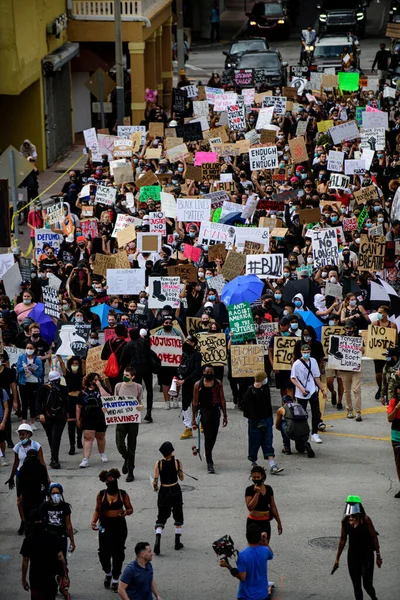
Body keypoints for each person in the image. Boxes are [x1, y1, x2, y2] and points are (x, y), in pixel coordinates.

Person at [91, 468, 133, 592]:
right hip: (104, 526)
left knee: (118, 553)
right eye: (108, 480)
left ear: (116, 479)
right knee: (103, 552)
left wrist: (125, 512)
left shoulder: (123, 494)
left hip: (119, 526)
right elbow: (98, 510)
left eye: (112, 479)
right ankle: (108, 572)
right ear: (105, 481)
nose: (110, 481)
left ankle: (115, 579)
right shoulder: (101, 494)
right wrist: (94, 522)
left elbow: (130, 509)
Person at [333, 496, 382, 600]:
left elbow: (374, 537)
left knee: (367, 585)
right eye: (348, 504)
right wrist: (337, 558)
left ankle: (374, 598)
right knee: (356, 587)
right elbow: (342, 539)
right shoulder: (345, 521)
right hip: (352, 556)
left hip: (367, 555)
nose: (350, 507)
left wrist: (378, 556)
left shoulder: (366, 520)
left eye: (352, 505)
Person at [6, 423, 47, 535]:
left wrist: (46, 477)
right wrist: (11, 477)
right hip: (21, 474)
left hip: (35, 475)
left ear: (29, 434)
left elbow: (42, 462)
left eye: (23, 434)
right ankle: (23, 521)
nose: (21, 437)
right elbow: (16, 462)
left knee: (36, 499)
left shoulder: (36, 446)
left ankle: (36, 520)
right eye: (20, 435)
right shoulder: (17, 447)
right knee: (20, 501)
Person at [240, 372, 283, 474]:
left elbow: (268, 405)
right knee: (254, 442)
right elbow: (248, 408)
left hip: (267, 420)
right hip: (255, 422)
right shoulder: (250, 392)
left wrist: (270, 419)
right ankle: (253, 462)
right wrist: (257, 420)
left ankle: (272, 465)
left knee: (268, 441)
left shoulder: (265, 388)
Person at [21, 509, 67, 600]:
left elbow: (25, 561)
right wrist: (64, 575)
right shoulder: (53, 537)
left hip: (35, 578)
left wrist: (23, 579)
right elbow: (61, 558)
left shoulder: (28, 540)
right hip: (50, 578)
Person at [219, 525, 273, 600]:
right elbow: (271, 555)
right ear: (259, 538)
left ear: (246, 536)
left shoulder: (242, 555)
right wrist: (265, 542)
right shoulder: (265, 550)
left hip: (247, 596)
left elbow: (242, 577)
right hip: (262, 595)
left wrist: (228, 566)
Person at [192, 365, 228, 474]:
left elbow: (222, 399)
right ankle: (209, 462)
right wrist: (193, 418)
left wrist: (225, 415)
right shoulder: (198, 385)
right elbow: (195, 402)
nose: (209, 374)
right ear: (203, 372)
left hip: (215, 411)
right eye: (207, 372)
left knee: (214, 436)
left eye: (211, 372)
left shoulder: (218, 383)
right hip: (204, 412)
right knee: (208, 436)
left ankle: (208, 452)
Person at [152, 441, 184, 555]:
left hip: (164, 490)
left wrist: (155, 487)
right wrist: (179, 470)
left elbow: (155, 481)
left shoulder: (159, 464)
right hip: (175, 489)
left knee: (161, 516)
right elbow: (181, 478)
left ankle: (158, 538)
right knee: (178, 514)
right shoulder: (177, 462)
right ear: (172, 452)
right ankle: (177, 541)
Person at [290, 344, 326, 444]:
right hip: (302, 393)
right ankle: (303, 432)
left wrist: (322, 389)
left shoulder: (313, 361)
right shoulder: (297, 364)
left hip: (312, 390)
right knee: (302, 414)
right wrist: (301, 389)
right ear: (301, 352)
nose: (306, 354)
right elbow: (293, 378)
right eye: (304, 352)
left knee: (316, 412)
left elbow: (316, 377)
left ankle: (315, 433)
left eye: (308, 352)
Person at [114, 366, 144, 482]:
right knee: (119, 444)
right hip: (121, 420)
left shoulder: (138, 387)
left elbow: (140, 403)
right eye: (124, 374)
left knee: (132, 446)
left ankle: (130, 471)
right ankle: (127, 459)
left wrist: (140, 407)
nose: (124, 377)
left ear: (132, 377)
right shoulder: (118, 386)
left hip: (132, 421)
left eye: (127, 375)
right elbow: (114, 402)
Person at [76, 372, 109, 468]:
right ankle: (85, 459)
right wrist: (78, 419)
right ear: (90, 381)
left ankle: (102, 453)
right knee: (88, 438)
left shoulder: (103, 389)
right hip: (88, 417)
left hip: (100, 417)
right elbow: (78, 406)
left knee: (100, 437)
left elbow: (107, 398)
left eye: (98, 379)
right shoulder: (83, 392)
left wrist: (100, 386)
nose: (96, 381)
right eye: (95, 380)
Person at [37, 371, 68, 469]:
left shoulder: (61, 389)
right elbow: (38, 401)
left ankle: (54, 458)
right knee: (52, 437)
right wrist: (41, 413)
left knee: (54, 437)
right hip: (48, 416)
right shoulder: (44, 389)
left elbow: (66, 402)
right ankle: (54, 456)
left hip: (59, 417)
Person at [245, 465, 282, 543]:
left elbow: (273, 506)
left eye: (258, 477)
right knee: (254, 545)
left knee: (265, 545)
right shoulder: (249, 490)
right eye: (253, 478)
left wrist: (279, 522)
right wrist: (257, 493)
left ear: (262, 476)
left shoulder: (268, 489)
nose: (256, 479)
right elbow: (250, 507)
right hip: (253, 523)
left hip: (265, 522)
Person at [176, 334, 202, 440]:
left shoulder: (197, 355)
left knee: (197, 404)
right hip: (185, 384)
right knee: (185, 406)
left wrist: (185, 380)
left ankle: (200, 422)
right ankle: (188, 427)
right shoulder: (183, 355)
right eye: (185, 340)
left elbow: (197, 371)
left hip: (194, 384)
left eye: (188, 341)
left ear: (193, 343)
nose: (186, 343)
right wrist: (178, 378)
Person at [41, 482, 76, 558]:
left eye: (57, 493)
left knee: (62, 560)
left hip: (61, 537)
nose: (55, 495)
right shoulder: (45, 506)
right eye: (53, 493)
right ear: (50, 494)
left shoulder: (65, 506)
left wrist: (72, 541)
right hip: (48, 538)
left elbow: (68, 525)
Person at [16, 342, 44, 429]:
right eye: (27, 347)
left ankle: (32, 422)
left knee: (33, 403)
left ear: (34, 349)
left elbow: (40, 373)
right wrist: (24, 368)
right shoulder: (21, 357)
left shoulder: (38, 360)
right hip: (23, 383)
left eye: (31, 348)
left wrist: (32, 370)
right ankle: (24, 422)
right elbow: (18, 369)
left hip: (34, 383)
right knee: (24, 402)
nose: (29, 349)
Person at [387, 384, 400, 498]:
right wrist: (397, 407)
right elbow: (390, 418)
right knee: (398, 462)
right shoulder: (393, 402)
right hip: (396, 435)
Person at [0, 385, 10, 467]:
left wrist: (3, 421)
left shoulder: (2, 391)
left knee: (1, 440)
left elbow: (6, 408)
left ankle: (2, 456)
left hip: (0, 420)